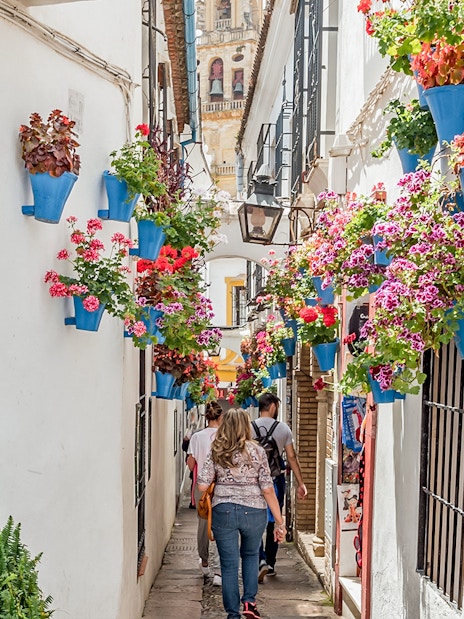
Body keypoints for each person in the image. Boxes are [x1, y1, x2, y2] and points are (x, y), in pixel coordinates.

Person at [197, 407, 286, 619]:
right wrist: (280, 522)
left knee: (228, 564)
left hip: (223, 511)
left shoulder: (217, 450)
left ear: (225, 426)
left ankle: (232, 614)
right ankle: (249, 603)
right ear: (246, 426)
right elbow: (267, 488)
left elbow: (201, 485)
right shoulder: (257, 451)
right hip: (254, 512)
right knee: (251, 555)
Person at [252, 392, 307, 583]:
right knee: (275, 520)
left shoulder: (249, 428)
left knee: (254, 521)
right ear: (273, 406)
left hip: (254, 483)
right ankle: (272, 562)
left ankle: (260, 560)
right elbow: (291, 457)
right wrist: (301, 483)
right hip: (275, 481)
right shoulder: (283, 429)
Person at [187, 401, 223, 582]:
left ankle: (205, 562)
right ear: (220, 417)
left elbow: (191, 463)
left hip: (202, 486)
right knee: (222, 526)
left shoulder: (197, 437)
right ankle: (219, 571)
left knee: (203, 525)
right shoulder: (225, 437)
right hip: (222, 486)